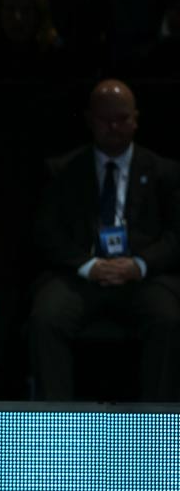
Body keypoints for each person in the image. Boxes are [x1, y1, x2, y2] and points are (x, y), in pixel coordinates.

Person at [28, 78, 180, 401]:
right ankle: (55, 425)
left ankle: (160, 423)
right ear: (89, 120)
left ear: (136, 118)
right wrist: (88, 265)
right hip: (81, 275)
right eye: (105, 120)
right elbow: (46, 233)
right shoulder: (63, 169)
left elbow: (175, 236)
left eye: (122, 119)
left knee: (168, 318)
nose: (114, 127)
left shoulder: (164, 172)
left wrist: (139, 264)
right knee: (46, 317)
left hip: (142, 276)